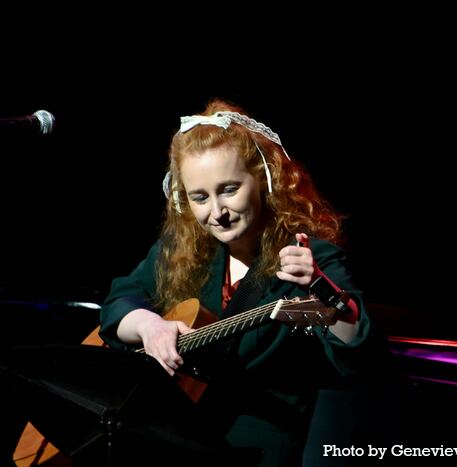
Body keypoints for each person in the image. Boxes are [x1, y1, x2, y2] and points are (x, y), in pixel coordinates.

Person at [99, 99, 372, 467]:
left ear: (262, 178)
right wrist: (149, 326)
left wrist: (319, 286)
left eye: (229, 189)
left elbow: (362, 350)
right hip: (171, 437)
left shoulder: (310, 257)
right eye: (200, 197)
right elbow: (121, 298)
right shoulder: (184, 249)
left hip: (257, 449)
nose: (216, 212)